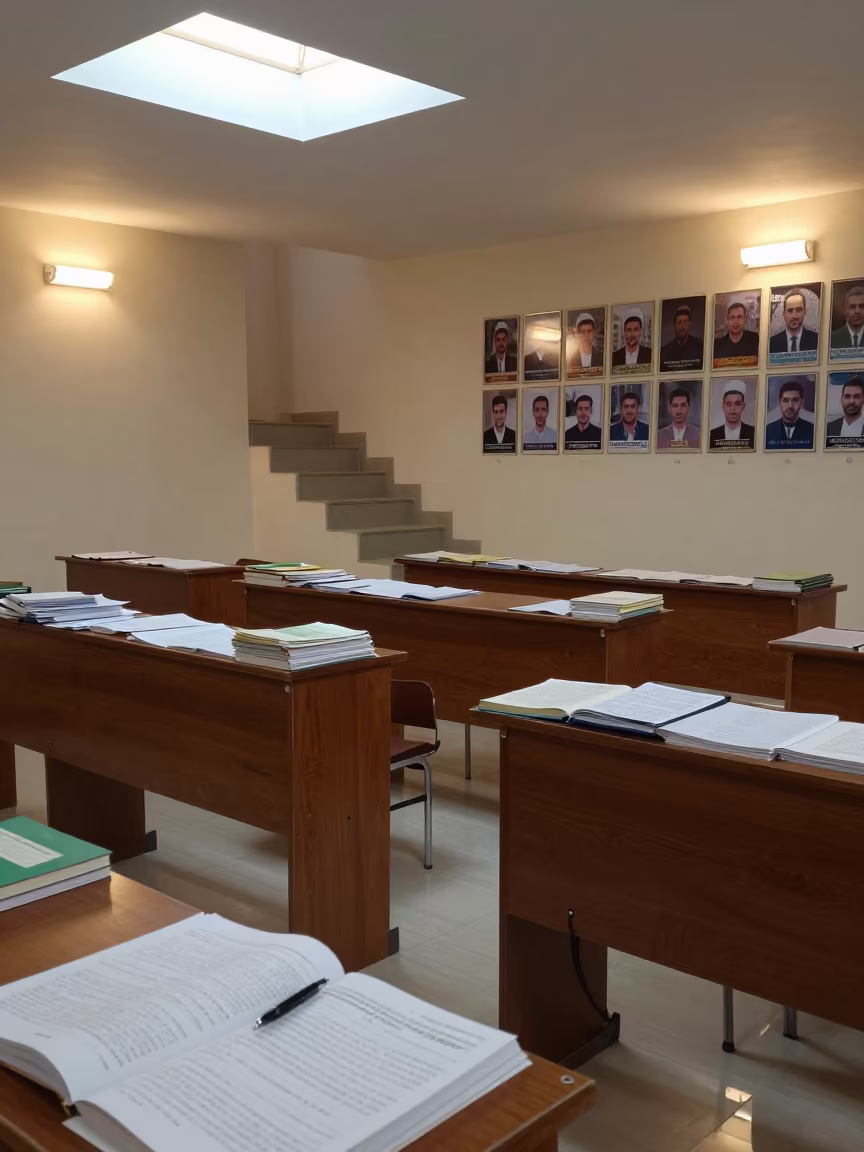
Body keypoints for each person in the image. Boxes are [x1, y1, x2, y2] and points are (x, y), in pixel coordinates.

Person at [764, 380, 814, 448]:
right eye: (786, 401)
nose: (790, 405)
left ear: (802, 403)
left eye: (795, 400)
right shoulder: (768, 430)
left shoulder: (812, 430)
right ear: (779, 403)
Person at [769, 289, 819, 354]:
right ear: (784, 314)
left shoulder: (817, 340)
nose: (794, 316)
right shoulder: (771, 343)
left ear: (805, 312)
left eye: (799, 310)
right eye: (790, 310)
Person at [713, 299, 760, 365]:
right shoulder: (717, 345)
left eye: (739, 317)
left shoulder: (755, 340)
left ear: (745, 320)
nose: (736, 321)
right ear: (727, 320)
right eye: (732, 317)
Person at [659, 304, 703, 372]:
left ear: (690, 324)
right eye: (679, 322)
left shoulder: (701, 347)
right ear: (674, 326)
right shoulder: (664, 352)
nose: (682, 326)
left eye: (685, 322)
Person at [830, 285, 864, 351]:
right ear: (846, 309)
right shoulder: (832, 338)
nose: (857, 311)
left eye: (862, 306)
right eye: (852, 306)